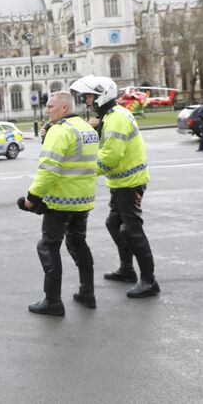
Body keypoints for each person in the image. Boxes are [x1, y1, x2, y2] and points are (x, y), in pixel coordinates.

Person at [70, 75, 160, 298]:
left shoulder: (117, 118)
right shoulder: (110, 116)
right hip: (120, 183)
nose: (87, 101)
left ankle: (149, 281)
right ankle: (127, 270)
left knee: (131, 229)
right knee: (114, 223)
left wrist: (83, 172)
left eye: (90, 96)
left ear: (102, 96)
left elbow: (110, 156)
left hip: (130, 183)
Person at [19, 91, 99, 316]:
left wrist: (32, 198)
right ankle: (87, 293)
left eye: (50, 106)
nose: (46, 110)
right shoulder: (86, 129)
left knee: (48, 247)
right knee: (78, 244)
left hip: (61, 203)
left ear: (64, 108)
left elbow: (48, 169)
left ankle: (52, 301)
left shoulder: (60, 130)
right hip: (83, 202)